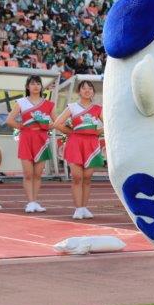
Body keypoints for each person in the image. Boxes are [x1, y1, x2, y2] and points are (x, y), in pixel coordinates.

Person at [6, 75, 56, 213]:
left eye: (38, 84)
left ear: (41, 87)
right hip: (26, 139)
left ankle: (35, 201)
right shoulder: (21, 102)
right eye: (33, 84)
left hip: (41, 140)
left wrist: (46, 127)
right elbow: (9, 120)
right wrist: (22, 126)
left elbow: (57, 122)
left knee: (38, 174)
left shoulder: (48, 104)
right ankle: (30, 202)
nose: (35, 86)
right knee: (28, 173)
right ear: (28, 87)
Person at [55, 80, 104, 220]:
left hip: (91, 145)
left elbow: (108, 123)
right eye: (84, 88)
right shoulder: (72, 107)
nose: (87, 90)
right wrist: (71, 132)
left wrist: (98, 132)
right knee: (77, 177)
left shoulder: (98, 108)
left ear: (93, 92)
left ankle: (84, 207)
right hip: (75, 144)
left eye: (90, 88)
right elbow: (57, 123)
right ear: (79, 91)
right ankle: (78, 208)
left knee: (87, 178)